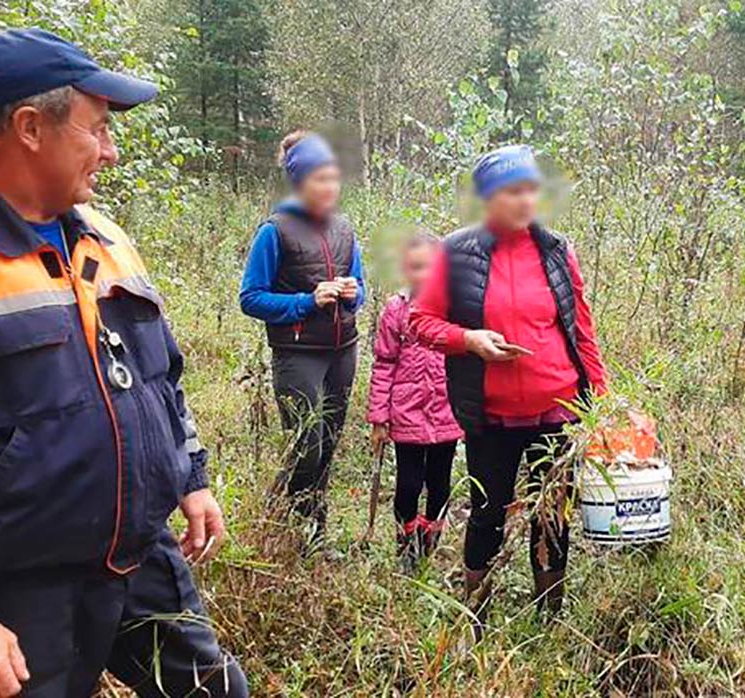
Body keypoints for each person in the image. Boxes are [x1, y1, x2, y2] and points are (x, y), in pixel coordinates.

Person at [0, 29, 246, 697]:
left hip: (139, 558)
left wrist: (192, 476)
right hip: (22, 585)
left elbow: (160, 377)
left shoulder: (105, 238)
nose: (111, 151)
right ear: (30, 127)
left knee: (217, 690)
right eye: (96, 130)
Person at [410, 145, 607, 627]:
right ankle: (475, 613)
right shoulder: (455, 253)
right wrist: (469, 339)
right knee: (487, 513)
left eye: (532, 190)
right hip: (492, 416)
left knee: (552, 516)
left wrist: (601, 402)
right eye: (515, 192)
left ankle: (549, 617)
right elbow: (420, 321)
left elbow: (581, 329)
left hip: (560, 409)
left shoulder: (557, 250)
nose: (527, 201)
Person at [239, 131, 366, 550]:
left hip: (342, 350)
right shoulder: (274, 231)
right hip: (298, 354)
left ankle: (315, 535)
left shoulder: (345, 228)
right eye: (319, 179)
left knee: (327, 444)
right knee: (305, 446)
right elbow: (251, 298)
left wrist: (352, 294)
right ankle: (288, 527)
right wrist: (305, 301)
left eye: (334, 178)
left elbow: (361, 289)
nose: (330, 187)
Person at [367, 232, 465, 568]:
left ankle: (430, 542)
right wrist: (379, 418)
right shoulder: (396, 310)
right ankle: (405, 545)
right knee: (408, 483)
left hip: (447, 413)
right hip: (406, 414)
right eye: (413, 267)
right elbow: (383, 364)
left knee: (440, 483)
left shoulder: (455, 308)